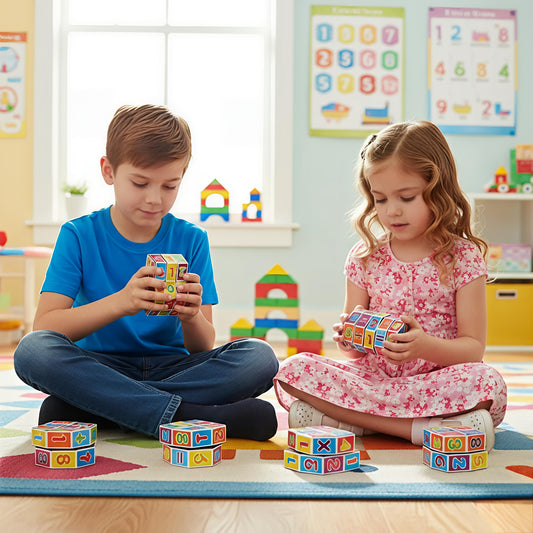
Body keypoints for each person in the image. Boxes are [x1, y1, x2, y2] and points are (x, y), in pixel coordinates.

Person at [14, 104, 279, 441]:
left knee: (259, 357)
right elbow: (47, 326)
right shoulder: (78, 235)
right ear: (108, 171)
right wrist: (122, 302)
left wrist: (192, 316)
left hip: (174, 368)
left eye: (170, 186)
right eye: (140, 183)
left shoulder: (192, 239)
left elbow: (202, 346)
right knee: (33, 351)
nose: (155, 199)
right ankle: (190, 415)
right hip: (100, 363)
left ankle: (102, 407)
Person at [274, 120, 507, 450]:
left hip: (437, 382)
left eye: (407, 197)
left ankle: (351, 421)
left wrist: (423, 346)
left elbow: (473, 349)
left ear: (438, 190)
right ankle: (422, 429)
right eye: (380, 199)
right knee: (292, 368)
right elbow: (351, 349)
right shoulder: (365, 256)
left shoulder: (463, 257)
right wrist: (347, 338)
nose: (392, 211)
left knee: (488, 383)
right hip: (374, 380)